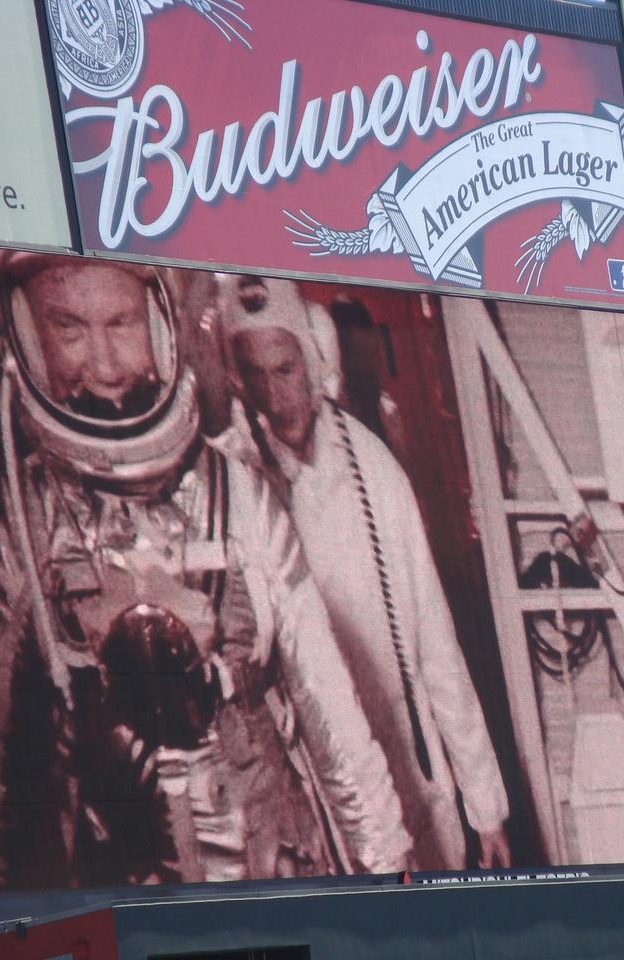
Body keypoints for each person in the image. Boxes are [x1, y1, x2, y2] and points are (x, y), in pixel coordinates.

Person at [0, 253, 411, 891]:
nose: (105, 364)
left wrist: (386, 869)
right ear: (28, 338)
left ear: (162, 324)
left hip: (268, 857)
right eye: (68, 331)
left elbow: (330, 709)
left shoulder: (240, 497)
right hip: (113, 874)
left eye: (121, 324)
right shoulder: (18, 524)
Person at [215, 276, 511, 870]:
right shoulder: (223, 486)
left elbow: (438, 652)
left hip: (409, 779)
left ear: (316, 359)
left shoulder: (376, 473)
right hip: (300, 802)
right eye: (255, 374)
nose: (274, 396)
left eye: (286, 370)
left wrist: (487, 807)